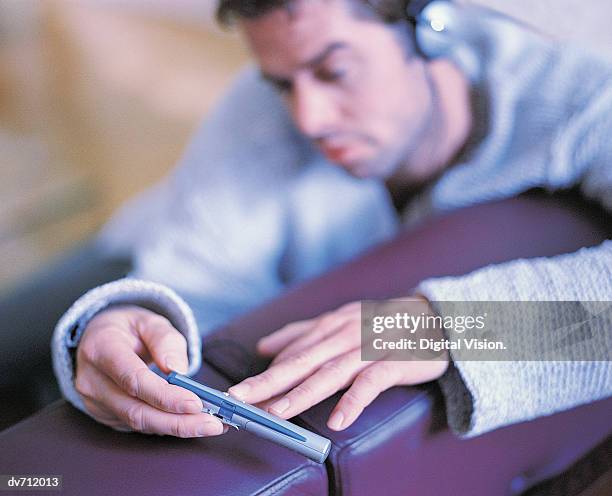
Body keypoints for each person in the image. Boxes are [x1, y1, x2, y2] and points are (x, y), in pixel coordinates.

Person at [52, 0, 611, 439]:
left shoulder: (580, 101)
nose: (309, 119)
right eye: (282, 84)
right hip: (133, 242)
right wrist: (120, 314)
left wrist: (450, 325)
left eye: (334, 70)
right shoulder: (256, 113)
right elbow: (189, 282)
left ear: (432, 27)